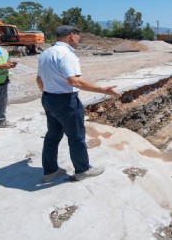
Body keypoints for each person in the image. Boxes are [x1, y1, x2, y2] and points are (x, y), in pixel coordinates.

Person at [37, 25, 121, 182]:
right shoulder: (66, 55)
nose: (79, 39)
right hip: (66, 101)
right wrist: (102, 89)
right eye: (78, 36)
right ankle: (82, 170)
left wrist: (49, 94)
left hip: (48, 98)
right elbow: (74, 81)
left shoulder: (45, 54)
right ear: (71, 36)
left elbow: (39, 79)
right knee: (76, 137)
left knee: (52, 136)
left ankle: (50, 171)